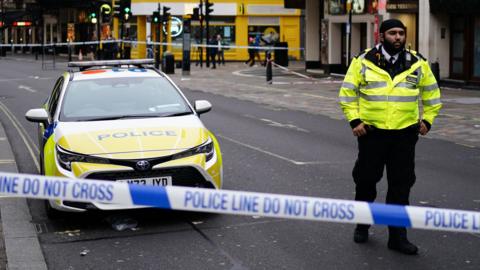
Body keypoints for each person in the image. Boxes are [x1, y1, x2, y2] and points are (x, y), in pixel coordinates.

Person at [338, 19, 442, 255]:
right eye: (393, 33)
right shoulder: (363, 61)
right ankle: (362, 225)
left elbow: (432, 95)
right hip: (372, 134)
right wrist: (355, 120)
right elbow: (347, 93)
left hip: (404, 136)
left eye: (401, 33)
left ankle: (398, 236)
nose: (398, 37)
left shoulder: (417, 63)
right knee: (365, 182)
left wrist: (427, 120)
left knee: (401, 186)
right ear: (382, 35)